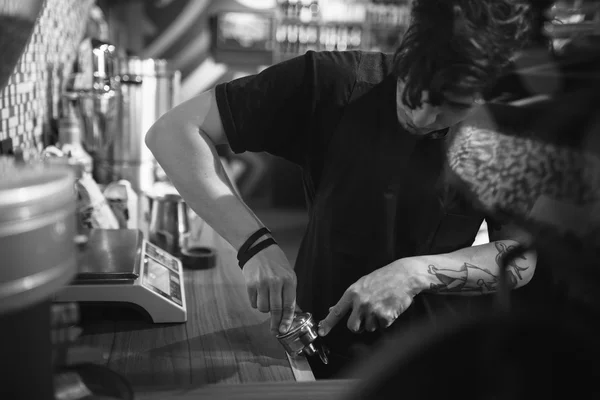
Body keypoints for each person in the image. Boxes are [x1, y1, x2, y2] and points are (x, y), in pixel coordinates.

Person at [145, 0, 539, 378]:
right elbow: (173, 132)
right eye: (412, 89)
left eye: (450, 106)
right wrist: (255, 246)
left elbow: (521, 258)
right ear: (407, 44)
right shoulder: (333, 82)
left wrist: (416, 273)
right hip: (324, 348)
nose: (421, 117)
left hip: (434, 362)